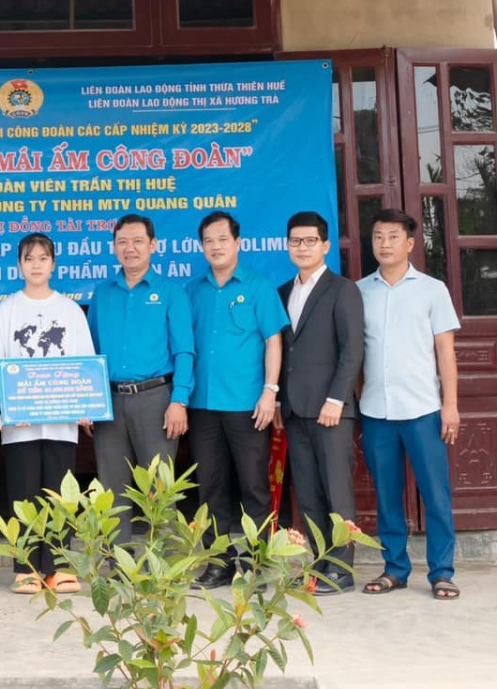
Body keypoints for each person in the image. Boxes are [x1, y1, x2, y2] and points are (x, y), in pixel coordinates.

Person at [357, 208, 462, 601]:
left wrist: (449, 405)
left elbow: (445, 352)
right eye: (378, 237)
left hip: (422, 409)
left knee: (436, 493)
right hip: (376, 410)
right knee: (387, 494)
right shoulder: (359, 291)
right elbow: (354, 353)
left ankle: (442, 571)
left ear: (410, 244)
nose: (385, 244)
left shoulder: (433, 290)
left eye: (393, 237)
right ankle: (395, 568)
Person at [184, 210, 290, 587]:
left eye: (222, 240)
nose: (216, 247)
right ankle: (219, 564)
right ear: (201, 246)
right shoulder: (192, 290)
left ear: (238, 243)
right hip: (203, 405)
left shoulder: (259, 286)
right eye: (209, 241)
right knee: (211, 488)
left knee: (253, 486)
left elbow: (272, 341)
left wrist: (270, 391)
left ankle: (258, 563)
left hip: (248, 404)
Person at [0, 233, 96, 595]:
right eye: (29, 258)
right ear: (19, 264)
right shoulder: (6, 310)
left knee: (61, 493)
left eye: (43, 258)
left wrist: (86, 407)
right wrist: (2, 408)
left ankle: (60, 565)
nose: (36, 265)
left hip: (61, 422)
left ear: (53, 264)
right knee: (23, 493)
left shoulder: (69, 310)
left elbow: (84, 363)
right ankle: (26, 567)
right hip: (19, 424)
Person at [273, 210, 364, 593]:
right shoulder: (282, 292)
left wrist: (336, 400)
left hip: (331, 410)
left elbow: (352, 350)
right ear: (287, 245)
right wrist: (277, 401)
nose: (302, 247)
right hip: (294, 409)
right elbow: (281, 352)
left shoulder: (342, 289)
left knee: (336, 490)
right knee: (308, 492)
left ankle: (341, 570)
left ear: (325, 245)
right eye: (295, 241)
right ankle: (319, 564)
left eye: (310, 240)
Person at [87, 214, 195, 502]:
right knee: (111, 492)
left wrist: (179, 400)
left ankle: (158, 549)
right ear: (114, 247)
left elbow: (184, 350)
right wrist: (88, 402)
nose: (129, 248)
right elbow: (91, 353)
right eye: (122, 242)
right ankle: (114, 549)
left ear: (153, 245)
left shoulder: (171, 291)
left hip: (156, 400)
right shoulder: (102, 294)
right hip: (109, 403)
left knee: (159, 490)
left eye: (137, 241)